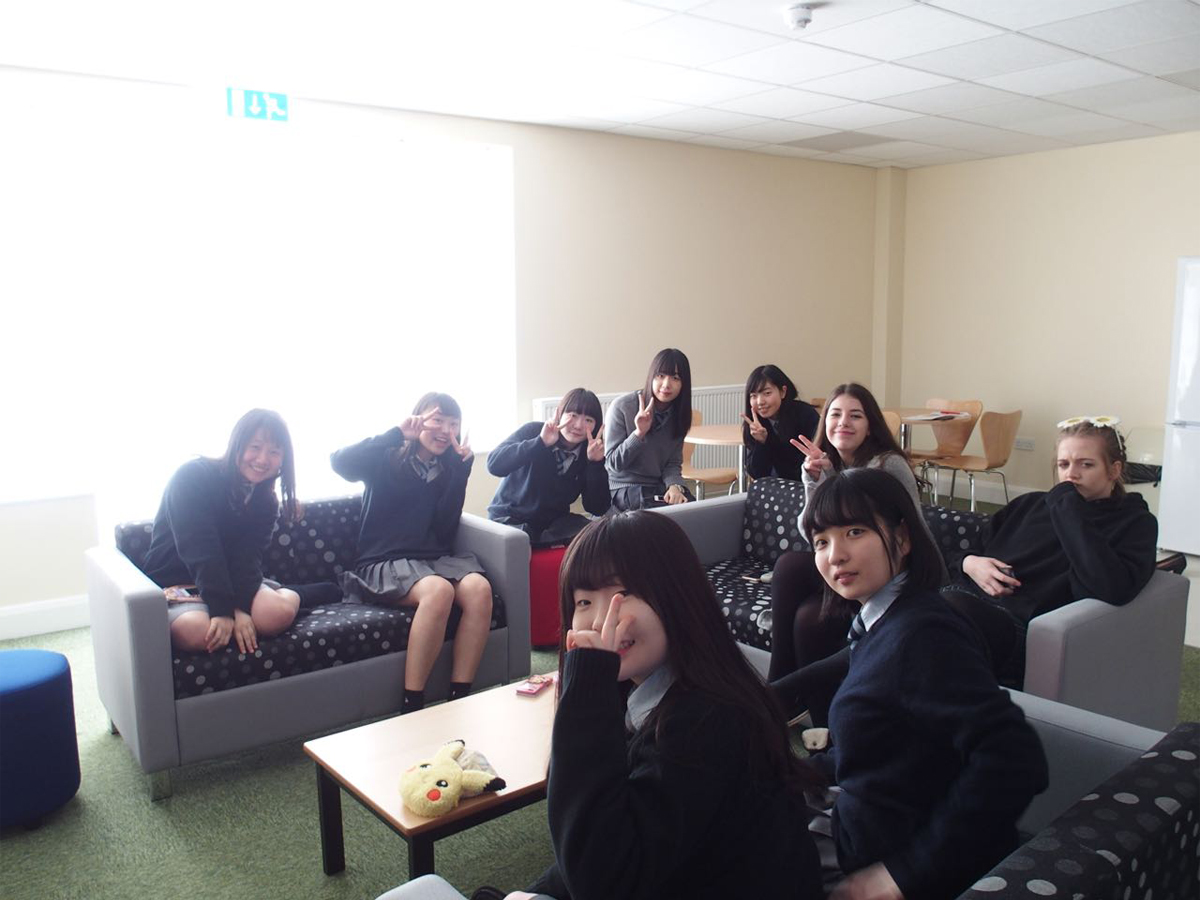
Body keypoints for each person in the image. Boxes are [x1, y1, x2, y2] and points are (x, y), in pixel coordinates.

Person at [498, 511, 822, 900]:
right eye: (584, 600)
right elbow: (595, 826)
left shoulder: (707, 718)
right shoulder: (641, 695)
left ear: (677, 596)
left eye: (622, 593)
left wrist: (586, 696)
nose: (600, 620)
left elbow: (604, 881)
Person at [798, 468, 1047, 900]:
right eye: (821, 541)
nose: (835, 555)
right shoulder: (884, 621)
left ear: (903, 538)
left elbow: (1014, 758)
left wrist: (903, 874)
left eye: (855, 532)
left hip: (877, 860)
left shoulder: (923, 634)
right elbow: (887, 748)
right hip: (860, 825)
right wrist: (799, 772)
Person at [943, 417, 1158, 687]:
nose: (1071, 475)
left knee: (940, 620)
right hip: (962, 598)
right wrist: (970, 563)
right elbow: (962, 552)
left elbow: (1111, 587)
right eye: (1063, 464)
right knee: (919, 614)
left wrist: (1069, 508)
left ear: (1114, 470)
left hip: (1016, 626)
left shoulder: (1134, 523)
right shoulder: (1029, 505)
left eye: (1086, 464)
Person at [331, 393, 493, 713]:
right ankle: (412, 703)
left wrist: (460, 473)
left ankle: (459, 696)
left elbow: (445, 529)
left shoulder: (448, 467)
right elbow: (339, 462)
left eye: (453, 424)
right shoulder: (386, 456)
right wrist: (396, 433)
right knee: (439, 591)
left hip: (431, 559)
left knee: (479, 589)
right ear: (418, 420)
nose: (445, 431)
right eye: (437, 420)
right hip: (383, 561)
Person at [768, 382, 936, 686]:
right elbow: (812, 535)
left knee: (809, 618)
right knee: (789, 566)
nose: (843, 422)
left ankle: (788, 693)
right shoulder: (830, 464)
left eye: (855, 416)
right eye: (835, 415)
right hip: (852, 565)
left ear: (870, 426)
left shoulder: (887, 464)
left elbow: (913, 528)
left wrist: (934, 581)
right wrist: (814, 481)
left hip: (890, 572)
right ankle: (779, 686)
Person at [145, 408, 304, 655]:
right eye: (255, 447)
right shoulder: (192, 476)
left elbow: (248, 558)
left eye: (274, 452)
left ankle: (291, 594)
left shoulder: (266, 500)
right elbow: (200, 549)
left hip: (234, 580)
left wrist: (240, 608)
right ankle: (266, 595)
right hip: (178, 581)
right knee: (199, 633)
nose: (263, 459)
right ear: (237, 444)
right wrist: (223, 611)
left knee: (275, 615)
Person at [486, 388, 609, 546]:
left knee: (599, 534)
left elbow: (597, 508)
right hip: (511, 518)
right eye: (573, 415)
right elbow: (494, 465)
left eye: (588, 420)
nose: (579, 425)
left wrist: (595, 464)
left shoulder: (591, 451)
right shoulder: (534, 431)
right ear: (559, 413)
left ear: (596, 426)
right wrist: (540, 442)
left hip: (553, 523)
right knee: (522, 538)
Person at [604, 348, 694, 511]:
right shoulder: (623, 407)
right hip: (624, 487)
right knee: (657, 517)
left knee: (693, 509)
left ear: (684, 384)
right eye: (660, 376)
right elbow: (613, 464)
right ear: (651, 376)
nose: (666, 384)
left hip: (657, 486)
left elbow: (672, 463)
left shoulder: (678, 414)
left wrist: (674, 486)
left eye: (675, 378)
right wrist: (638, 434)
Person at [741, 364, 820, 482]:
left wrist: (771, 444)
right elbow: (757, 474)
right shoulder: (755, 423)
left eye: (767, 393)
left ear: (783, 392)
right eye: (753, 396)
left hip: (804, 483)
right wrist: (761, 442)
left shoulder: (805, 415)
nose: (760, 401)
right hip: (772, 486)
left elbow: (800, 468)